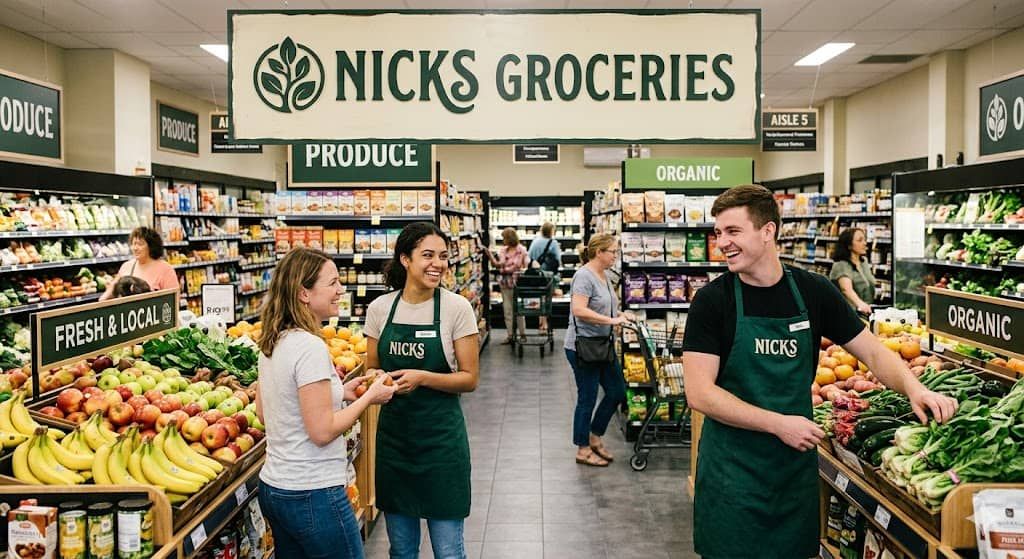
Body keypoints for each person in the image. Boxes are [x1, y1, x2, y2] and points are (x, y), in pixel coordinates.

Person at [681, 185, 957, 559]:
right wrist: (778, 423)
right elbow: (700, 393)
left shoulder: (813, 291)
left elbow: (873, 351)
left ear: (768, 232)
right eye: (719, 233)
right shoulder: (713, 302)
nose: (722, 243)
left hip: (791, 474)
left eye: (733, 232)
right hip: (733, 473)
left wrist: (915, 388)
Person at [254, 247, 396, 559]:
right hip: (313, 492)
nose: (340, 289)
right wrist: (371, 398)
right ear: (304, 293)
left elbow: (265, 413)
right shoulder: (309, 347)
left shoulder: (273, 339)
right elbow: (322, 431)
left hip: (276, 488)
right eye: (332, 283)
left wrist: (342, 391)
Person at [363, 222, 480, 559]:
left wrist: (423, 377)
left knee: (448, 552)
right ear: (405, 259)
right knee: (401, 550)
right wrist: (378, 380)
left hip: (442, 443)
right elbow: (371, 365)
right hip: (395, 443)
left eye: (443, 256)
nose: (437, 264)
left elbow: (470, 378)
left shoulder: (456, 308)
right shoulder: (381, 309)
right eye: (427, 255)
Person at [565, 233, 635, 467]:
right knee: (587, 398)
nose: (616, 255)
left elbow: (607, 307)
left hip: (602, 346)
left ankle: (595, 436)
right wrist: (612, 322)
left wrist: (620, 315)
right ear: (599, 252)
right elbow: (579, 310)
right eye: (613, 251)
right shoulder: (583, 276)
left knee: (616, 392)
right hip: (583, 346)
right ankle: (582, 448)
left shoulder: (604, 275)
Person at [100, 226, 178, 300]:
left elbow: (174, 299)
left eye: (140, 244)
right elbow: (108, 294)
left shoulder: (165, 269)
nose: (135, 248)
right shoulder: (126, 266)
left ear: (151, 246)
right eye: (133, 244)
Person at [483, 227, 528, 344]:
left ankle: (522, 334)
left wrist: (504, 268)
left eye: (504, 238)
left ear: (509, 238)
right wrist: (489, 255)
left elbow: (519, 265)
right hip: (505, 283)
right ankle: (510, 335)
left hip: (518, 283)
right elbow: (499, 265)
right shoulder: (503, 250)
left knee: (519, 309)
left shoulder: (521, 250)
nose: (503, 240)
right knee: (507, 309)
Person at [830, 227, 877, 316]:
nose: (864, 243)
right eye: (860, 240)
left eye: (864, 240)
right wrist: (861, 304)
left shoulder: (864, 262)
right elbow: (846, 290)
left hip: (865, 313)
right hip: (848, 315)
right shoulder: (841, 265)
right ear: (849, 245)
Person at [527, 222, 562, 334]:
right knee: (547, 299)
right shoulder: (553, 243)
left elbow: (530, 257)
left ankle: (540, 323)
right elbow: (558, 259)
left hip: (536, 275)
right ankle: (544, 324)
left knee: (540, 298)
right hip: (548, 276)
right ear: (552, 231)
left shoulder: (535, 241)